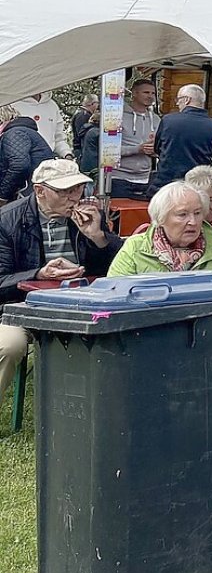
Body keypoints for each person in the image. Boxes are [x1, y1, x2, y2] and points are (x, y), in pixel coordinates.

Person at [0, 160, 121, 397]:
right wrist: (39, 274)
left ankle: (106, 405)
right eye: (65, 191)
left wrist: (98, 237)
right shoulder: (7, 221)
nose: (74, 198)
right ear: (40, 191)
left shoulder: (91, 213)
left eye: (78, 188)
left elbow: (118, 267)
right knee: (8, 345)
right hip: (22, 308)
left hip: (84, 305)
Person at [107, 182, 212, 275]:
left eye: (197, 213)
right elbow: (115, 297)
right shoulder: (135, 248)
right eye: (182, 214)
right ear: (161, 218)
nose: (193, 222)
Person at [151, 84, 212, 190]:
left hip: (166, 183)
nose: (177, 103)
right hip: (197, 185)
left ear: (187, 100)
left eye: (179, 99)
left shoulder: (168, 121)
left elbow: (157, 149)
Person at [107, 77, 159, 200]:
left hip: (146, 179)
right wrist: (137, 149)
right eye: (146, 92)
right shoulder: (116, 117)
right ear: (134, 94)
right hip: (119, 178)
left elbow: (161, 148)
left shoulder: (156, 119)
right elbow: (108, 150)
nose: (150, 96)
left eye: (153, 93)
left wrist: (155, 150)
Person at [0, 105, 56, 202]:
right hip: (39, 190)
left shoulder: (15, 133)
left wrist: (3, 196)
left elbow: (19, 165)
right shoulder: (21, 131)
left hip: (28, 193)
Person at [4, 93, 70, 157]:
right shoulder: (11, 105)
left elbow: (59, 139)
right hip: (23, 160)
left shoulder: (52, 105)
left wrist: (66, 153)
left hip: (48, 160)